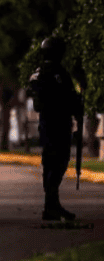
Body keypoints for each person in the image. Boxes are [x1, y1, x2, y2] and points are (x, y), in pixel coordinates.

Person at [28, 36, 84, 221]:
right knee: (57, 163)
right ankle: (51, 205)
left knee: (51, 164)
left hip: (48, 124)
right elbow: (67, 97)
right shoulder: (56, 73)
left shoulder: (41, 72)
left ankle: (51, 205)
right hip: (57, 125)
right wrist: (77, 107)